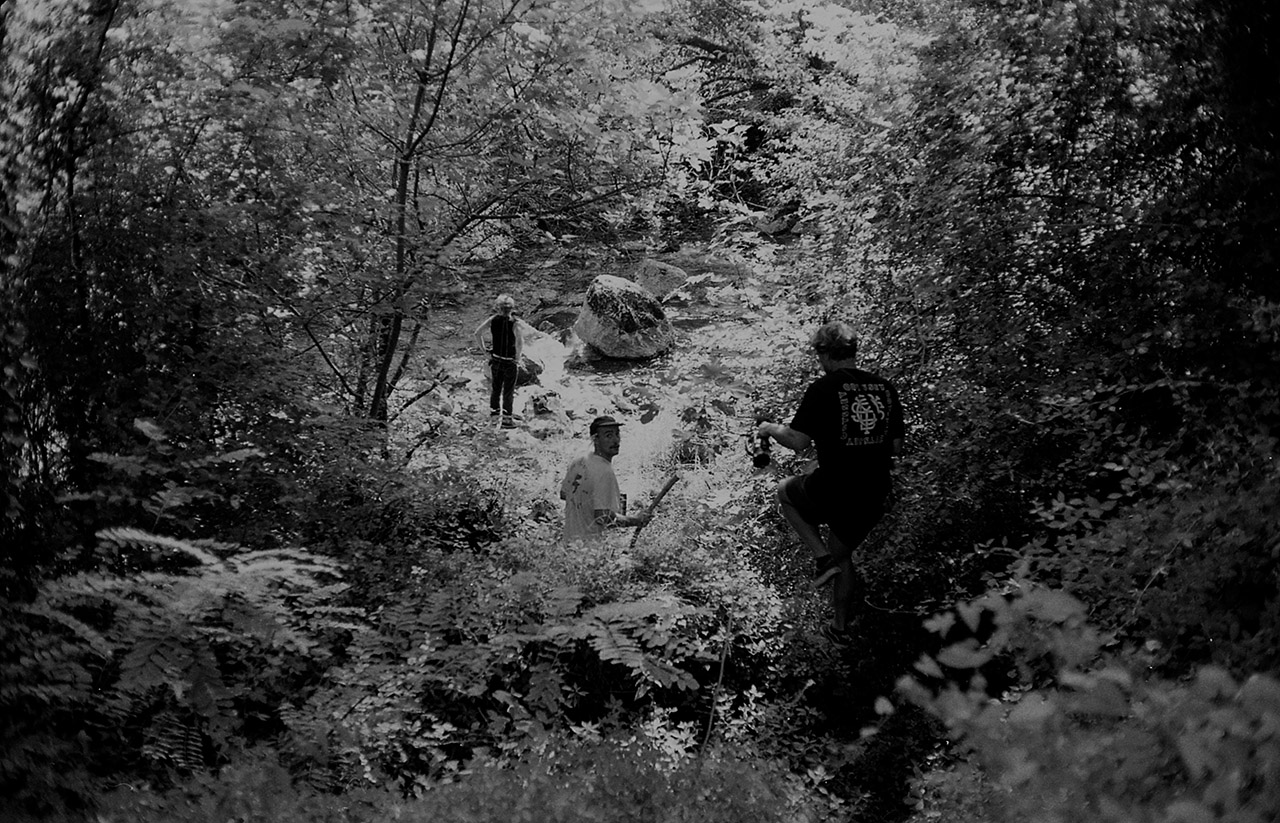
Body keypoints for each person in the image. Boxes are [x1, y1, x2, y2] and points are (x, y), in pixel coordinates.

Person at [755, 321, 905, 648]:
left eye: (818, 353)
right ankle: (839, 629)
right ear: (852, 351)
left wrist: (768, 427)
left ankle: (820, 558)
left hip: (837, 485)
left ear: (825, 353)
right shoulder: (885, 388)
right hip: (875, 490)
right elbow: (894, 447)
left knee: (785, 493)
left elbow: (797, 441)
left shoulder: (823, 388)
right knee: (844, 555)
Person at [560, 415, 652, 544]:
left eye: (617, 434)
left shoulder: (579, 461)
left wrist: (595, 497)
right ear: (595, 439)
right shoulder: (605, 471)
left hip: (568, 544)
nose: (615, 441)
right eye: (608, 436)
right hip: (589, 551)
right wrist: (636, 520)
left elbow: (564, 493)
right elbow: (603, 518)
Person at [474, 294, 523, 427]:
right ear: (512, 308)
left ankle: (494, 417)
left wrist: (485, 352)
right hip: (509, 361)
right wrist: (518, 358)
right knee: (508, 391)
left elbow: (477, 333)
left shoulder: (493, 319)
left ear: (498, 308)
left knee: (495, 390)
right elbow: (519, 343)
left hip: (496, 360)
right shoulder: (515, 323)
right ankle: (507, 420)